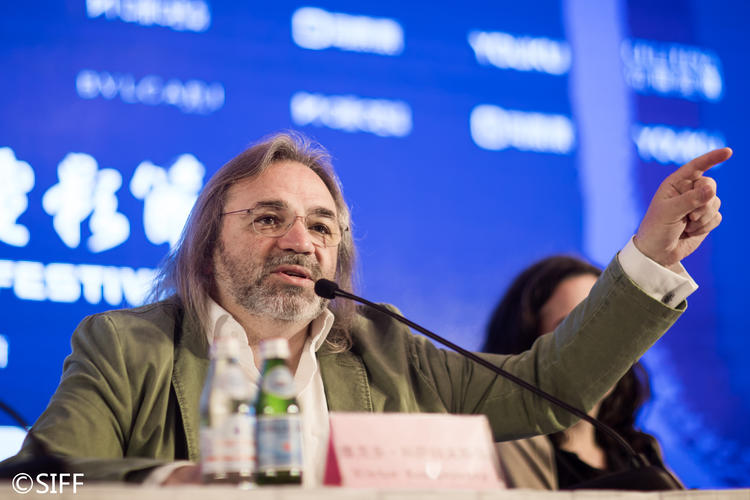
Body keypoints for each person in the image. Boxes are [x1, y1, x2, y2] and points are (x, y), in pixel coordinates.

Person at [3, 131, 730, 486]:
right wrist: (173, 486)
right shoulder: (127, 346)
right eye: (268, 218)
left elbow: (551, 386)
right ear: (206, 241)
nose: (300, 241)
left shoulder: (389, 350)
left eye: (322, 227)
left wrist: (651, 256)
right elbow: (36, 479)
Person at [486, 256, 676, 489]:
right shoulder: (496, 453)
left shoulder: (642, 451)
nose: (597, 346)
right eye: (573, 330)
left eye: (609, 328)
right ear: (525, 346)